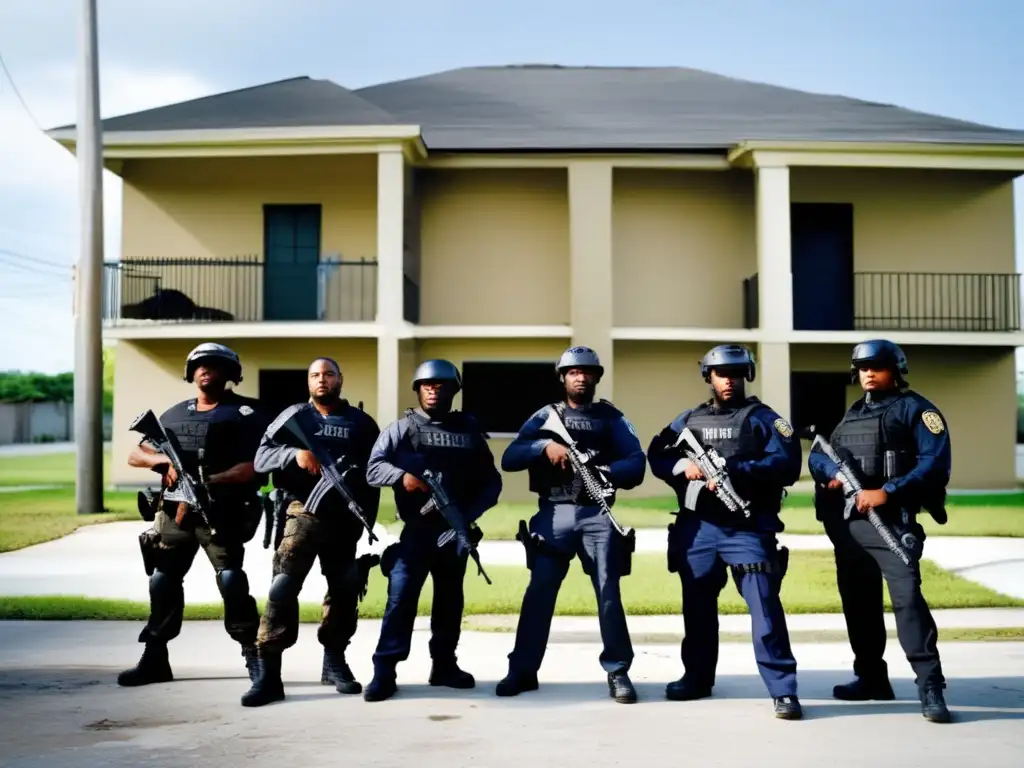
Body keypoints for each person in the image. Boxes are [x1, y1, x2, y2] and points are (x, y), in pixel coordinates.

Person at [646, 344, 803, 719]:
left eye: (735, 374)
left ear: (746, 375)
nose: (728, 381)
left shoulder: (764, 418)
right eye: (721, 374)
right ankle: (697, 678)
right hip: (699, 529)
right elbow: (656, 453)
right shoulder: (688, 420)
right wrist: (684, 465)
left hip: (747, 528)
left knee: (764, 609)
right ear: (709, 377)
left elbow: (788, 463)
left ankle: (783, 690)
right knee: (697, 610)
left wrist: (735, 469)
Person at [808, 339, 952, 724]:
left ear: (896, 369)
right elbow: (819, 454)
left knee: (907, 601)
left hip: (893, 523)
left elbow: (934, 465)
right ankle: (871, 679)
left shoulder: (917, 411)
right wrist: (834, 475)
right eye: (862, 367)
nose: (868, 373)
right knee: (859, 602)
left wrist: (886, 492)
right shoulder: (852, 414)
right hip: (851, 525)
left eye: (877, 366)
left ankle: (930, 686)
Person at [495, 346, 646, 703]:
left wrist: (605, 472)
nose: (580, 377)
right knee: (539, 593)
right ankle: (522, 670)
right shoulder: (545, 416)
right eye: (573, 372)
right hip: (554, 513)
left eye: (587, 372)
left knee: (608, 591)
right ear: (562, 377)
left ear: (596, 377)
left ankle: (618, 670)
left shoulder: (611, 418)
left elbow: (636, 462)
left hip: (597, 514)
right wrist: (544, 447)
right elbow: (510, 457)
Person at [119, 342, 270, 687]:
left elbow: (255, 466)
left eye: (214, 365)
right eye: (200, 365)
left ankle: (254, 657)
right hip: (174, 512)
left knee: (231, 580)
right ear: (190, 373)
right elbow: (136, 453)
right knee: (162, 580)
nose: (206, 370)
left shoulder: (247, 413)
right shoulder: (174, 414)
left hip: (222, 512)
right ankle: (155, 657)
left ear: (230, 374)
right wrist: (162, 461)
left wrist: (209, 482)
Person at [241, 357, 381, 707]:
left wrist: (367, 518)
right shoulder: (293, 418)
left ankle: (334, 661)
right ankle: (270, 672)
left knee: (345, 589)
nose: (322, 380)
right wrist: (295, 454)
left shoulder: (361, 423)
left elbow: (374, 477)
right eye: (316, 375)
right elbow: (261, 459)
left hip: (345, 517)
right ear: (308, 383)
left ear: (340, 379)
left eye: (329, 374)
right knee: (283, 586)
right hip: (301, 511)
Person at [363, 359, 502, 701]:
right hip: (417, 532)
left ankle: (444, 665)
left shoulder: (469, 432)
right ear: (418, 389)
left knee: (450, 601)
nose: (433, 389)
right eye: (427, 384)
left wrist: (467, 516)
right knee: (401, 598)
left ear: (453, 390)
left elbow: (491, 483)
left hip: (455, 533)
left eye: (440, 385)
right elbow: (373, 469)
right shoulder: (401, 429)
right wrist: (402, 477)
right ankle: (385, 670)